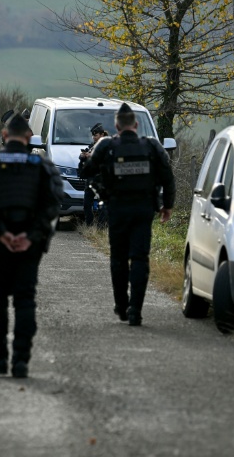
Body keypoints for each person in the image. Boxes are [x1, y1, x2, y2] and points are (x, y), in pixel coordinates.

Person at [0, 112, 64, 378]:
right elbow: (53, 204)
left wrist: (0, 234)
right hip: (29, 244)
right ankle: (21, 361)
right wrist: (30, 237)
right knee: (25, 300)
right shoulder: (42, 166)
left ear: (4, 135)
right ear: (29, 137)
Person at [80, 103, 176, 326]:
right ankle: (136, 310)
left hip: (117, 209)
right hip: (143, 210)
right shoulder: (151, 147)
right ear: (136, 125)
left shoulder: (106, 146)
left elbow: (87, 172)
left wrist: (91, 159)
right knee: (140, 258)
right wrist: (167, 206)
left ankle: (122, 304)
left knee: (119, 257)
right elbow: (167, 178)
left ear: (116, 126)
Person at [78, 123, 110, 226]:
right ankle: (89, 224)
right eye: (93, 135)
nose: (93, 137)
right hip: (91, 178)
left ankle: (101, 226)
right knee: (87, 204)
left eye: (95, 135)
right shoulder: (92, 146)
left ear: (101, 134)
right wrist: (83, 155)